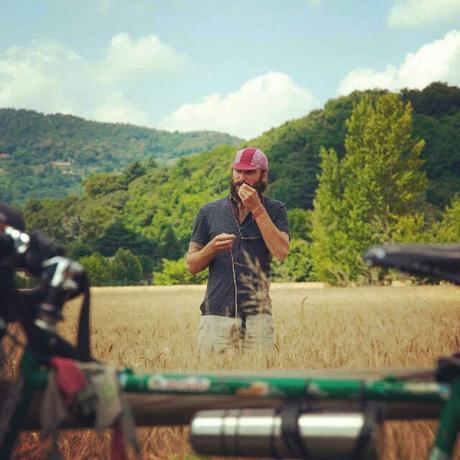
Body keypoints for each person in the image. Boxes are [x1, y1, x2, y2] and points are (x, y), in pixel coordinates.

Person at [186, 147, 290, 353]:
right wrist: (210, 248)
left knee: (260, 382)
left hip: (258, 316)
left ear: (263, 176)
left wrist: (257, 209)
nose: (241, 178)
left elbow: (281, 252)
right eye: (237, 171)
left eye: (249, 172)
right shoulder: (209, 212)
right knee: (215, 382)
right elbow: (192, 265)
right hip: (215, 315)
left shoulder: (276, 209)